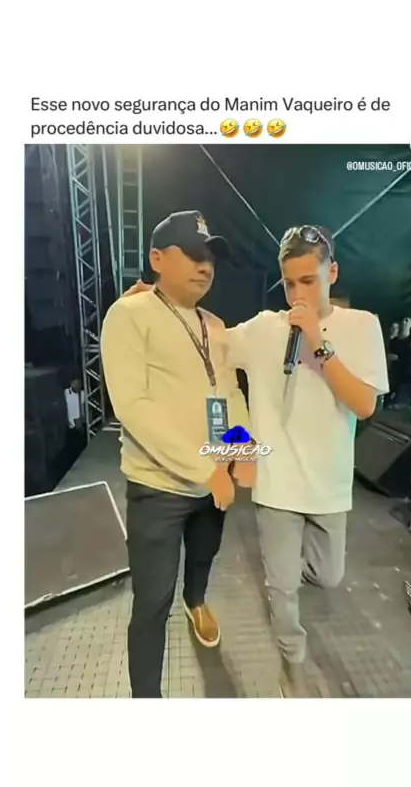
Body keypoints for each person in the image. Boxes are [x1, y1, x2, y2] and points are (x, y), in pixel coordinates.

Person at [126, 224, 389, 697]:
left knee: (329, 576)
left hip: (329, 486)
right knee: (283, 592)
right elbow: (208, 340)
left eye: (308, 281)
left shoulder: (362, 326)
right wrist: (162, 303)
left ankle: (284, 576)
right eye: (289, 283)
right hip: (277, 486)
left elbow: (365, 404)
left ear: (332, 273)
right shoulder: (266, 328)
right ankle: (293, 670)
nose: (298, 293)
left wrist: (318, 343)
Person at [101, 210, 251, 698]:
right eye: (192, 254)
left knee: (204, 557)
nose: (205, 266)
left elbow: (229, 394)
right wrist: (208, 469)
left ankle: (198, 601)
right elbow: (133, 406)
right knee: (152, 603)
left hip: (213, 480)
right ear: (157, 258)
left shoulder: (215, 325)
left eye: (211, 257)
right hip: (159, 488)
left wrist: (241, 449)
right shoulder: (130, 315)